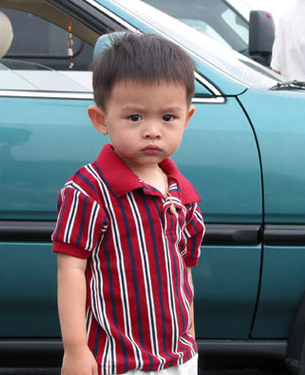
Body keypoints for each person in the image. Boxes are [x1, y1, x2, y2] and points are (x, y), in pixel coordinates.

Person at [51, 32, 205, 375]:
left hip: (177, 358)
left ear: (187, 118)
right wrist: (76, 349)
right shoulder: (89, 190)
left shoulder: (184, 194)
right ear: (101, 119)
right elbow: (70, 269)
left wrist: (190, 334)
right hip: (115, 361)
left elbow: (185, 273)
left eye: (168, 117)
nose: (152, 131)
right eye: (135, 117)